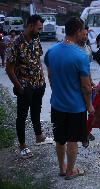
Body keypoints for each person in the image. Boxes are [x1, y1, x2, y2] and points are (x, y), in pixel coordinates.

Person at [44, 17, 94, 180]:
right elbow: (86, 87)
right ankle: (70, 171)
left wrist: (58, 91)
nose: (84, 33)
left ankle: (62, 168)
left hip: (57, 104)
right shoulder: (81, 56)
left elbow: (50, 75)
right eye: (83, 30)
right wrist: (89, 106)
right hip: (76, 107)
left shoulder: (52, 51)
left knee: (59, 139)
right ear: (78, 31)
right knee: (73, 140)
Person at [6, 15, 53, 159]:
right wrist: (19, 87)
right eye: (39, 28)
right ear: (31, 26)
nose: (40, 31)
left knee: (36, 111)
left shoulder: (36, 39)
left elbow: (38, 58)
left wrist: (42, 77)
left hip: (38, 84)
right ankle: (22, 145)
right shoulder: (15, 44)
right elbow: (9, 69)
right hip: (25, 86)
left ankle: (39, 137)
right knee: (22, 116)